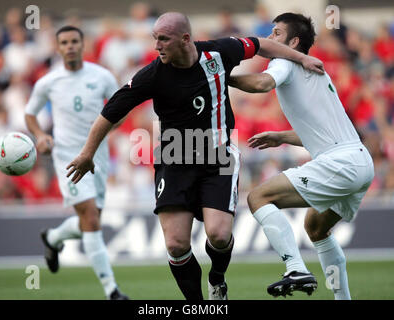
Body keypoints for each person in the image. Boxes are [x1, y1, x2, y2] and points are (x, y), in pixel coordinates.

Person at [66, 12, 324, 300]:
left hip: (218, 158)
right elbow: (110, 112)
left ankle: (217, 279)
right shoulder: (151, 75)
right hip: (175, 158)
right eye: (155, 39)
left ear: (185, 39)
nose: (157, 46)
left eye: (163, 39)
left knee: (219, 235)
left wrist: (301, 59)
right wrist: (87, 153)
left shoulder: (220, 51)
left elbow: (263, 45)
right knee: (176, 244)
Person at [230, 13, 374, 299]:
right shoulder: (319, 73)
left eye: (276, 33)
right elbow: (329, 130)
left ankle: (295, 268)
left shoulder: (284, 61)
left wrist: (224, 79)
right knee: (315, 228)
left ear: (293, 42)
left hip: (340, 162)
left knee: (258, 197)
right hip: (360, 161)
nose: (269, 38)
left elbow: (261, 85)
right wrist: (281, 136)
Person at [24, 26, 128, 300]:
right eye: (64, 43)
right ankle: (112, 291)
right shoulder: (48, 81)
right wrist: (40, 135)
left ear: (83, 45)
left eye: (74, 42)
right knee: (91, 219)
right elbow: (30, 114)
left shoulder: (102, 75)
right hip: (67, 156)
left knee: (89, 220)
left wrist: (110, 126)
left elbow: (121, 107)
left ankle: (53, 238)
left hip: (98, 155)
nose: (70, 46)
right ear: (57, 48)